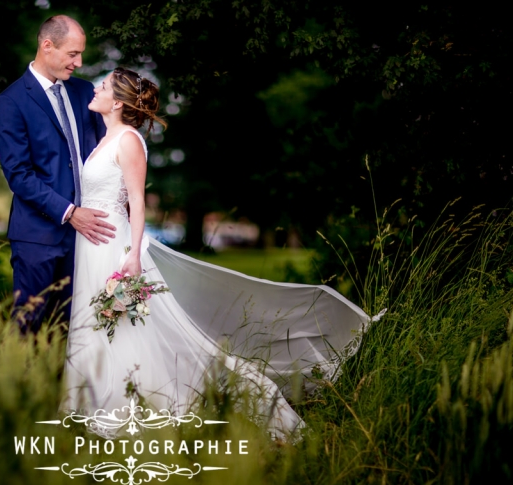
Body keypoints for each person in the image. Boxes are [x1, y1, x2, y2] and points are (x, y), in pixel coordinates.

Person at [62, 68, 376, 441]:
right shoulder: (104, 138)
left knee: (130, 329)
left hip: (114, 246)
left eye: (102, 86)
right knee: (100, 327)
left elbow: (137, 202)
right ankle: (96, 406)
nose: (93, 89)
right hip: (91, 244)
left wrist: (132, 257)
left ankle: (159, 406)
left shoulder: (128, 140)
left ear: (117, 102)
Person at [0, 15, 114, 331]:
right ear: (47, 46)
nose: (79, 62)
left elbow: (106, 151)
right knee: (28, 327)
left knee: (75, 327)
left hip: (89, 236)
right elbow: (18, 174)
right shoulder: (11, 101)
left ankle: (63, 382)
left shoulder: (85, 91)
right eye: (73, 53)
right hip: (37, 238)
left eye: (81, 54)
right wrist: (70, 212)